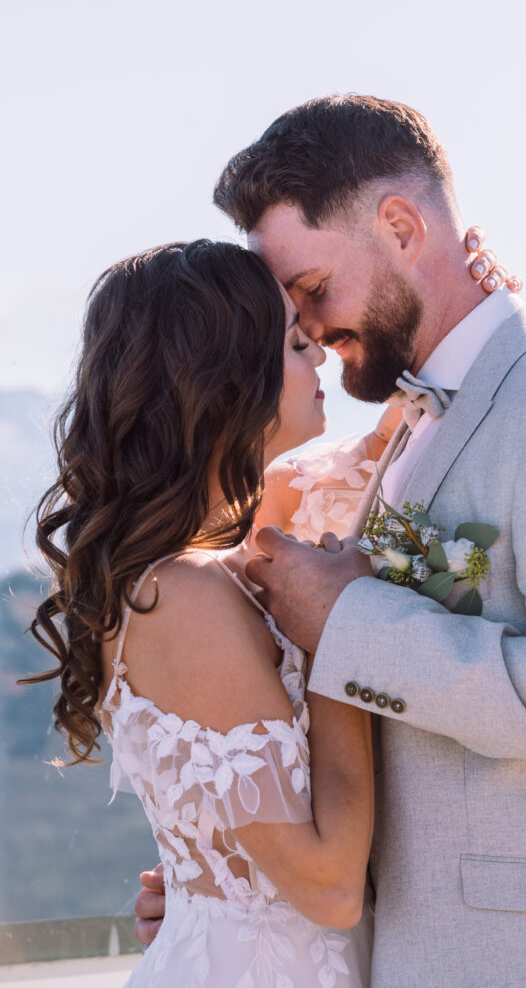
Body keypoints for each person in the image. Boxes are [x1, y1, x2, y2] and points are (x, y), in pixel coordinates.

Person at [137, 96, 526, 988]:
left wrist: (353, 623)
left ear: (400, 227)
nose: (310, 332)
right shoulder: (411, 428)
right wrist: (235, 886)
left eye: (313, 290)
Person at [24, 240, 378, 988]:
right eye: (294, 343)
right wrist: (341, 630)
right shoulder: (180, 595)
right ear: (224, 384)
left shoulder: (206, 570)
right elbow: (329, 889)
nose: (319, 353)